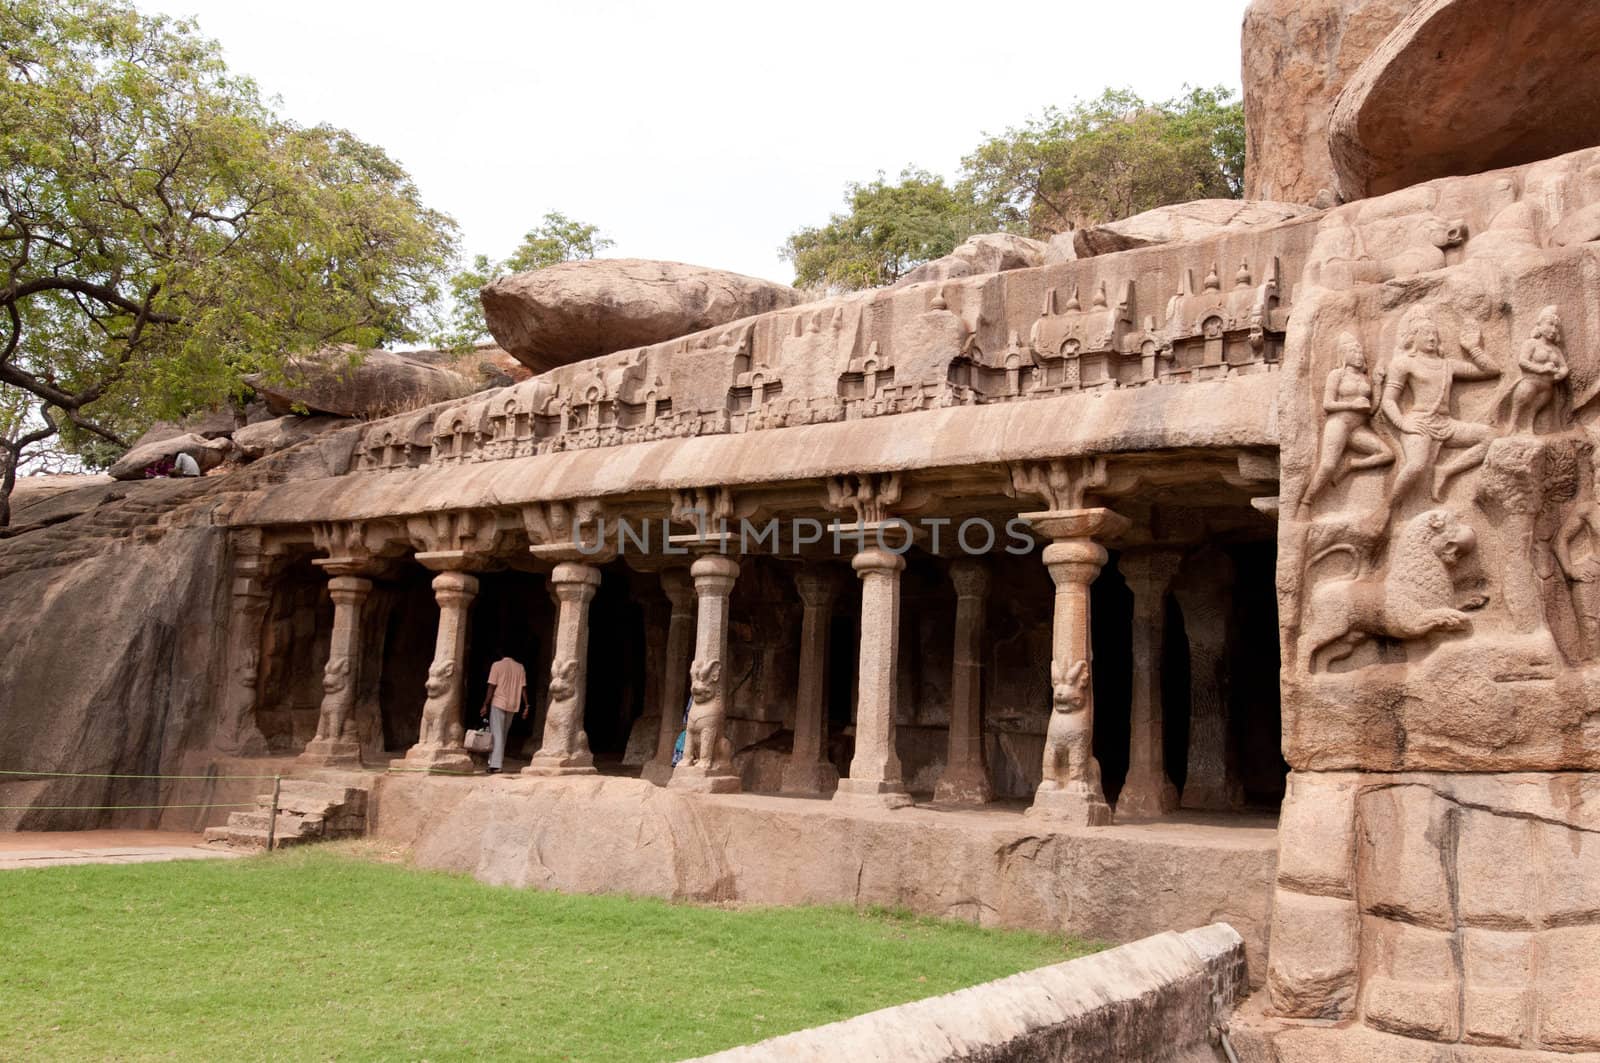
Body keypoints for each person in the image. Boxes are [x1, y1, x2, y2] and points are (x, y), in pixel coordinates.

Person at [479, 655, 528, 773]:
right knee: (503, 733)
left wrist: (485, 703)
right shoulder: (520, 667)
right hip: (513, 704)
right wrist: (527, 705)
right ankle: (495, 762)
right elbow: (523, 688)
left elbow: (491, 686)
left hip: (499, 702)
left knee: (497, 733)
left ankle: (495, 765)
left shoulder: (496, 665)